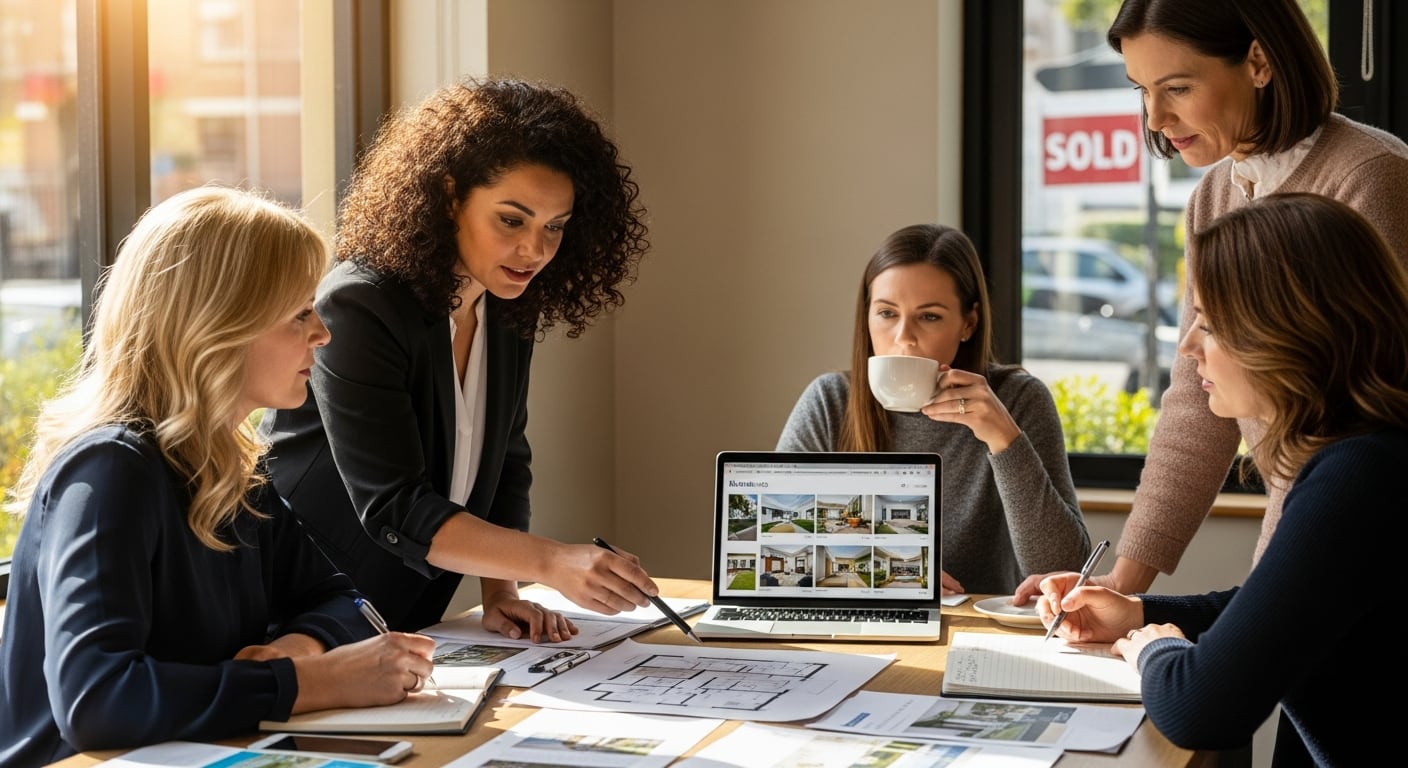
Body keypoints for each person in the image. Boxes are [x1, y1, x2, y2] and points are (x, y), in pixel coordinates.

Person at [0, 187, 437, 767]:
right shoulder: (109, 471)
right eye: (300, 313)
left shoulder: (229, 468)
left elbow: (345, 600)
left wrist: (292, 652)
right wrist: (312, 683)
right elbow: (97, 701)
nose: (322, 335)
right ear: (220, 326)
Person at [1014, 0, 1408, 604]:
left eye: (1176, 87)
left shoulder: (1372, 177)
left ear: (1259, 60)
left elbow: (1372, 419)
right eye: (1142, 90)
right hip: (1298, 539)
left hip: (1360, 545)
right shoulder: (1214, 198)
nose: (1155, 117)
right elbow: (1197, 402)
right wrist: (1120, 588)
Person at [260, 76, 657, 639]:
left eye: (556, 228)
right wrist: (549, 562)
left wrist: (502, 591)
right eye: (511, 220)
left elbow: (505, 461)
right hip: (305, 615)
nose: (535, 251)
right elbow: (395, 506)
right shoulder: (359, 304)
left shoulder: (507, 306)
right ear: (450, 197)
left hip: (413, 620)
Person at [1035, 192, 1407, 766]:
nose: (1187, 346)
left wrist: (1153, 653)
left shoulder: (1360, 474)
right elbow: (1284, 604)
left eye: (1207, 324)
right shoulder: (1370, 453)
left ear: (1283, 329)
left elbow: (1198, 708)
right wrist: (1137, 614)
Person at [775, 223, 1090, 596]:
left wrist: (1004, 439)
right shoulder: (830, 401)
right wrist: (886, 573)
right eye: (887, 313)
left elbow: (1064, 576)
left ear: (968, 324)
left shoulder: (1018, 400)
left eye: (929, 316)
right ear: (867, 317)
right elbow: (776, 540)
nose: (903, 336)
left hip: (978, 631)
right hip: (857, 623)